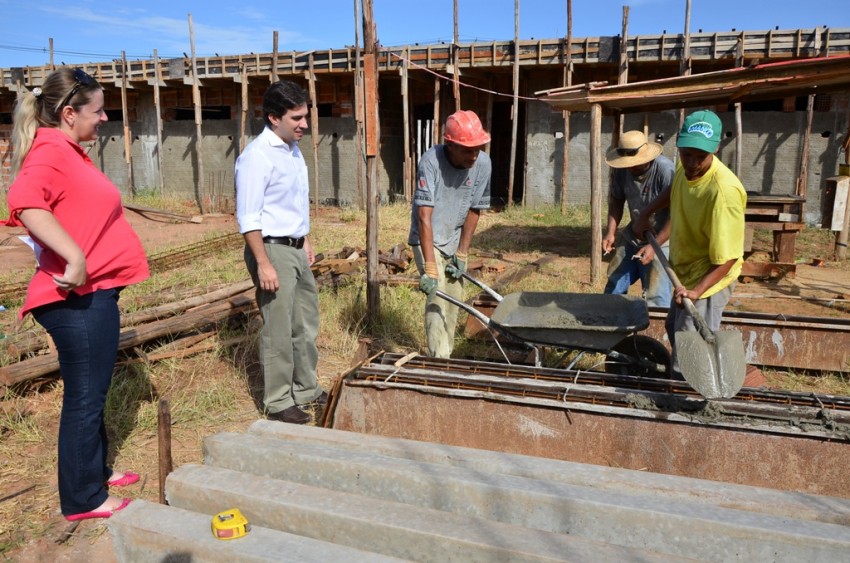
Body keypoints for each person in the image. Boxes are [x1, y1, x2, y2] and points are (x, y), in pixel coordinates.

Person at [4, 68, 150, 521]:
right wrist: (74, 256)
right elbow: (26, 204)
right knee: (85, 397)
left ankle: (96, 472)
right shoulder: (51, 151)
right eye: (98, 110)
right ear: (69, 114)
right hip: (75, 300)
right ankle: (83, 499)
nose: (105, 118)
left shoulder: (69, 151)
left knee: (93, 392)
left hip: (94, 296)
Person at [235, 80, 326, 425]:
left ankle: (306, 388)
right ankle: (277, 401)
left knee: (305, 323)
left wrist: (305, 240)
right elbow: (248, 217)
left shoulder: (292, 149)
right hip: (271, 251)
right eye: (296, 118)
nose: (304, 124)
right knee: (278, 327)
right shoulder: (257, 157)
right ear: (274, 117)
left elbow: (290, 205)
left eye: (305, 116)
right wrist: (263, 263)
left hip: (295, 248)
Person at [632, 109, 746, 373]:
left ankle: (688, 397)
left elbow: (727, 259)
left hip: (710, 276)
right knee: (674, 327)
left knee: (690, 339)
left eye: (700, 157)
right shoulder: (687, 166)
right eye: (687, 155)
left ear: (715, 148)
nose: (692, 162)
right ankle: (684, 374)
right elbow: (676, 192)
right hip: (686, 271)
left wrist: (696, 291)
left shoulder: (723, 193)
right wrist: (647, 213)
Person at [408, 110, 492, 358]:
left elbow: (475, 209)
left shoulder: (483, 164)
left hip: (454, 237)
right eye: (468, 150)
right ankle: (439, 361)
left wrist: (462, 252)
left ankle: (447, 354)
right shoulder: (431, 162)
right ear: (450, 145)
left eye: (478, 148)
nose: (474, 155)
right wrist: (431, 269)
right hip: (428, 237)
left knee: (454, 298)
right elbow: (424, 217)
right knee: (438, 295)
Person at [602, 130, 674, 308]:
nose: (630, 167)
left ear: (647, 157)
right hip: (633, 235)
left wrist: (655, 246)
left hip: (663, 238)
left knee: (656, 297)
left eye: (635, 163)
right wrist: (610, 231)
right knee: (614, 285)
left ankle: (650, 334)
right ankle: (611, 324)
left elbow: (676, 216)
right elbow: (617, 199)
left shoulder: (666, 171)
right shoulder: (621, 170)